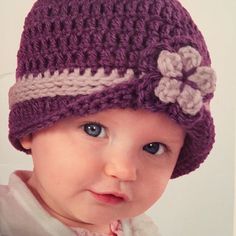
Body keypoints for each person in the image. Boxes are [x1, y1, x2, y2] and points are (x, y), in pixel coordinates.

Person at [0, 0, 217, 235]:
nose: (123, 170)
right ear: (30, 128)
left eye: (154, 148)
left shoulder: (142, 229)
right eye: (94, 129)